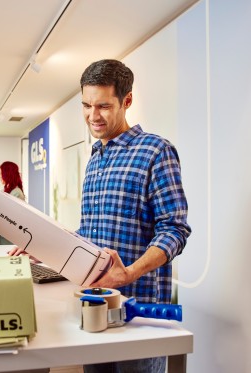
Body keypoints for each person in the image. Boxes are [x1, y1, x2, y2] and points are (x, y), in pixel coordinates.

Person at [10, 59, 191, 373]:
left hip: (136, 313)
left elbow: (175, 229)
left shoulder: (156, 151)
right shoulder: (96, 157)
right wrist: (43, 246)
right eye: (86, 105)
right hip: (93, 306)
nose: (93, 116)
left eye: (104, 106)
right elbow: (90, 233)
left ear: (127, 100)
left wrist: (128, 273)